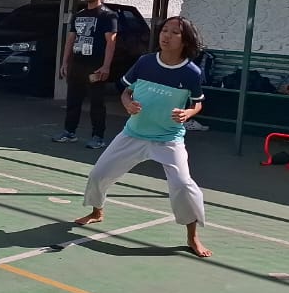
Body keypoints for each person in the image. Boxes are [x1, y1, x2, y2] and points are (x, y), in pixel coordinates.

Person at [76, 16, 212, 258]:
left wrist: (188, 113)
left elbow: (198, 103)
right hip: (133, 134)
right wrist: (127, 103)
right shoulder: (145, 62)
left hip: (168, 139)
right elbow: (126, 91)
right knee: (98, 174)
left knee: (183, 186)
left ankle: (192, 236)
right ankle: (97, 212)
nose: (166, 36)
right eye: (164, 30)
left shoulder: (191, 72)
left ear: (185, 40)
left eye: (175, 33)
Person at [53, 0, 117, 149]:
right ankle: (69, 132)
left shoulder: (108, 15)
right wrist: (65, 62)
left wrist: (106, 66)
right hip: (77, 64)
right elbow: (70, 40)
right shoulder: (79, 15)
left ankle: (98, 136)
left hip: (95, 65)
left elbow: (111, 42)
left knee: (96, 102)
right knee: (73, 100)